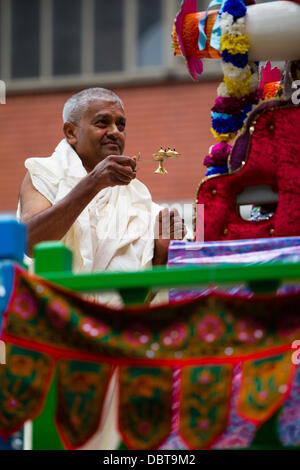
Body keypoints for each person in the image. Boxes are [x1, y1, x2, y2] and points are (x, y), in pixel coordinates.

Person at [17, 87, 186, 449]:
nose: (115, 131)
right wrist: (93, 182)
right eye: (102, 122)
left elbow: (148, 281)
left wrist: (164, 250)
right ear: (70, 132)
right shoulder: (41, 173)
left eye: (121, 123)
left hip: (120, 346)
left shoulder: (138, 195)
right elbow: (30, 239)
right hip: (61, 335)